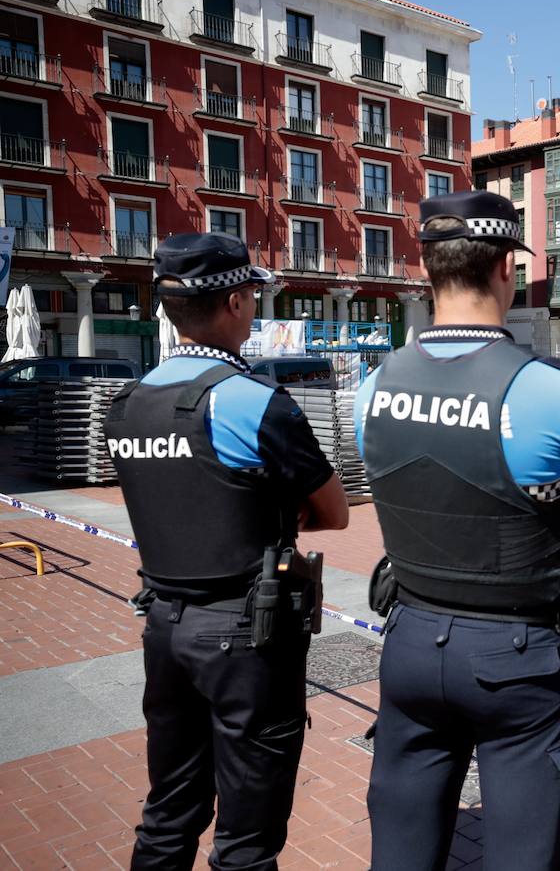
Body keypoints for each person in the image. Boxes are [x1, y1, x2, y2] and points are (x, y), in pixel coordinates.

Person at [358, 191, 560, 871]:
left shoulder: (371, 387)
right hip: (518, 656)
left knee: (399, 853)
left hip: (410, 638)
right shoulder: (556, 392)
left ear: (426, 269)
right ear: (508, 266)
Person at [103, 233, 349, 870]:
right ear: (238, 301)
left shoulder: (127, 404)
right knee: (246, 832)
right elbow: (335, 510)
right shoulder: (252, 401)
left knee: (168, 810)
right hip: (245, 632)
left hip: (163, 624)